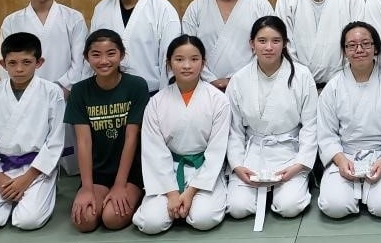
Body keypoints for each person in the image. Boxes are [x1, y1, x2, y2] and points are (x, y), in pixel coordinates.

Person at [0, 33, 66, 233]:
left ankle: (42, 189)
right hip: (1, 169)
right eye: (12, 63)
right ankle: (10, 198)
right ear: (3, 64)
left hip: (36, 169)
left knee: (28, 221)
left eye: (27, 62)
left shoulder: (52, 92)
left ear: (39, 62)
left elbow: (55, 141)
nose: (19, 69)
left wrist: (27, 179)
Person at [0, 0, 88, 175]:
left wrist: (62, 89)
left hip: (65, 94)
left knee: (68, 152)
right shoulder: (12, 21)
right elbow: (5, 64)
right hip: (28, 95)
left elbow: (81, 61)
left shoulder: (73, 18)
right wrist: (26, 93)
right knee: (33, 150)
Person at [133, 35, 231, 234]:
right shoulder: (157, 102)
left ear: (204, 63)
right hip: (168, 169)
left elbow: (217, 150)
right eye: (179, 59)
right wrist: (171, 194)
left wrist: (191, 191)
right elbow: (154, 150)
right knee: (151, 223)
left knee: (203, 218)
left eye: (194, 59)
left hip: (203, 169)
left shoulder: (218, 100)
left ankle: (190, 202)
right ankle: (174, 205)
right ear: (169, 63)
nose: (187, 65)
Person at [226, 16, 318, 226]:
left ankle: (290, 187)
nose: (269, 47)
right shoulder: (239, 79)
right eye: (262, 41)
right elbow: (235, 130)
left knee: (289, 207)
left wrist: (299, 164)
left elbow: (311, 126)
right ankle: (261, 192)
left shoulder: (301, 76)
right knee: (238, 208)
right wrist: (238, 165)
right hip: (253, 153)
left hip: (289, 153)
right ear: (251, 44)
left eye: (276, 41)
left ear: (285, 43)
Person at [317, 22, 381, 218]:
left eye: (366, 43)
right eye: (352, 45)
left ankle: (379, 190)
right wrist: (340, 160)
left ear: (376, 48)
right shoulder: (333, 87)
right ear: (344, 51)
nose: (359, 49)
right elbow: (326, 133)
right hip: (346, 154)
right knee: (334, 206)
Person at [65, 29, 148, 232]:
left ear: (122, 54)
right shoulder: (79, 91)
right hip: (97, 171)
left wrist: (120, 185)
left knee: (112, 219)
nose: (104, 61)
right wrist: (86, 188)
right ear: (86, 57)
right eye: (96, 54)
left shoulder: (136, 86)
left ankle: (135, 194)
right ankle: (100, 192)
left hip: (130, 172)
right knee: (84, 221)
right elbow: (83, 142)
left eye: (111, 53)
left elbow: (132, 137)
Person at [91, 0, 182, 93]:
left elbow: (170, 57)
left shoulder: (162, 9)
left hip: (152, 93)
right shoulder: (102, 9)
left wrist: (165, 98)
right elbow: (92, 52)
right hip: (107, 95)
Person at [182, 0, 273, 91]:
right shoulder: (196, 8)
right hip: (205, 88)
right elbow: (187, 51)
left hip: (251, 86)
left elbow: (269, 49)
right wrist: (212, 81)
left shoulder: (261, 6)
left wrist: (235, 80)